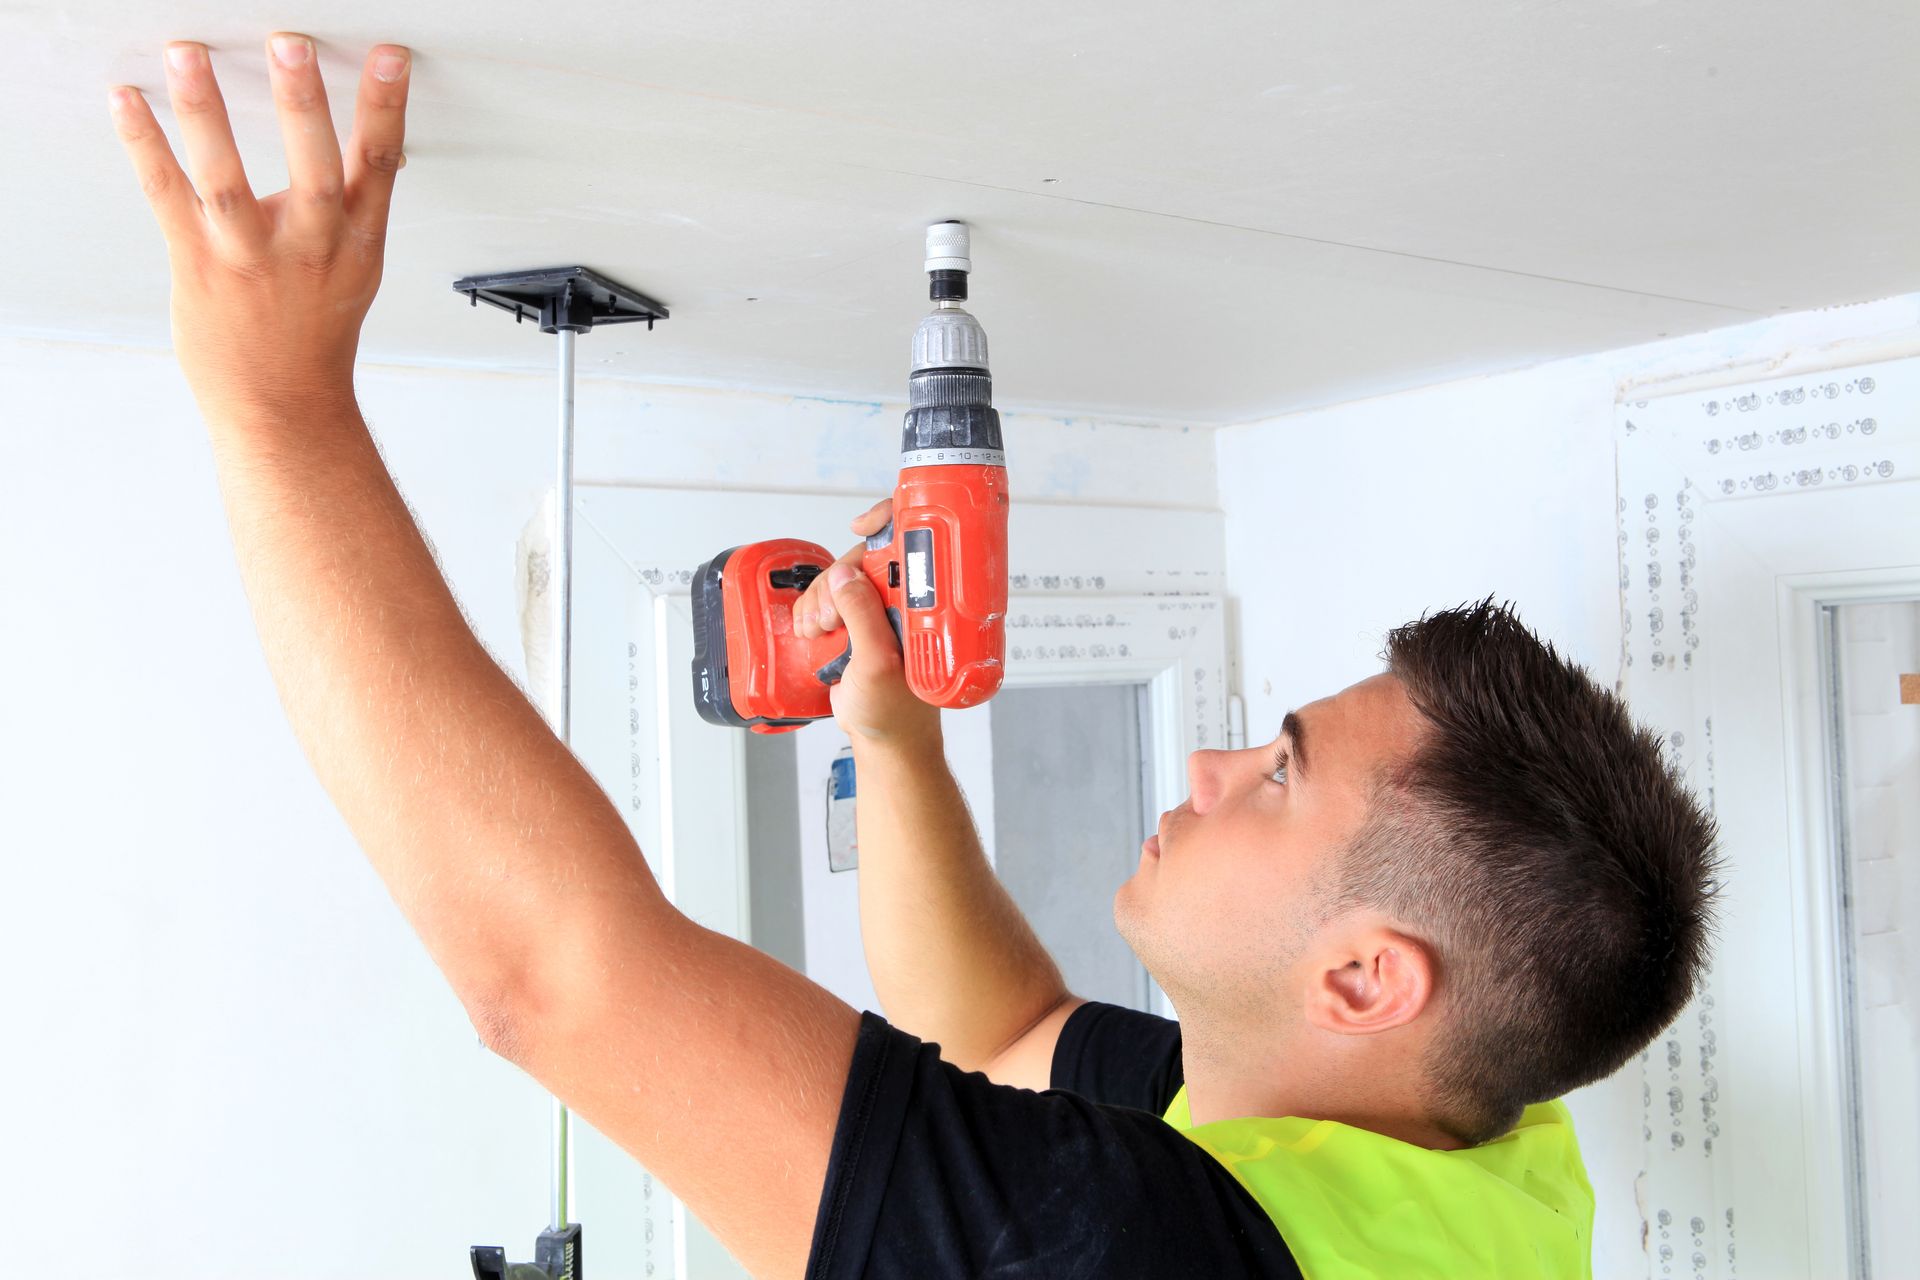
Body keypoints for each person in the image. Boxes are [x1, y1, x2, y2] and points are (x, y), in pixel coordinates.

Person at [110, 37, 1719, 1278]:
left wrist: (276, 403)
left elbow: (554, 981)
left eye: (1284, 773)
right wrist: (892, 737)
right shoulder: (1458, 1149)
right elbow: (997, 1026)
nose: (1220, 764)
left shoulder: (1153, 1253)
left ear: (1367, 979)